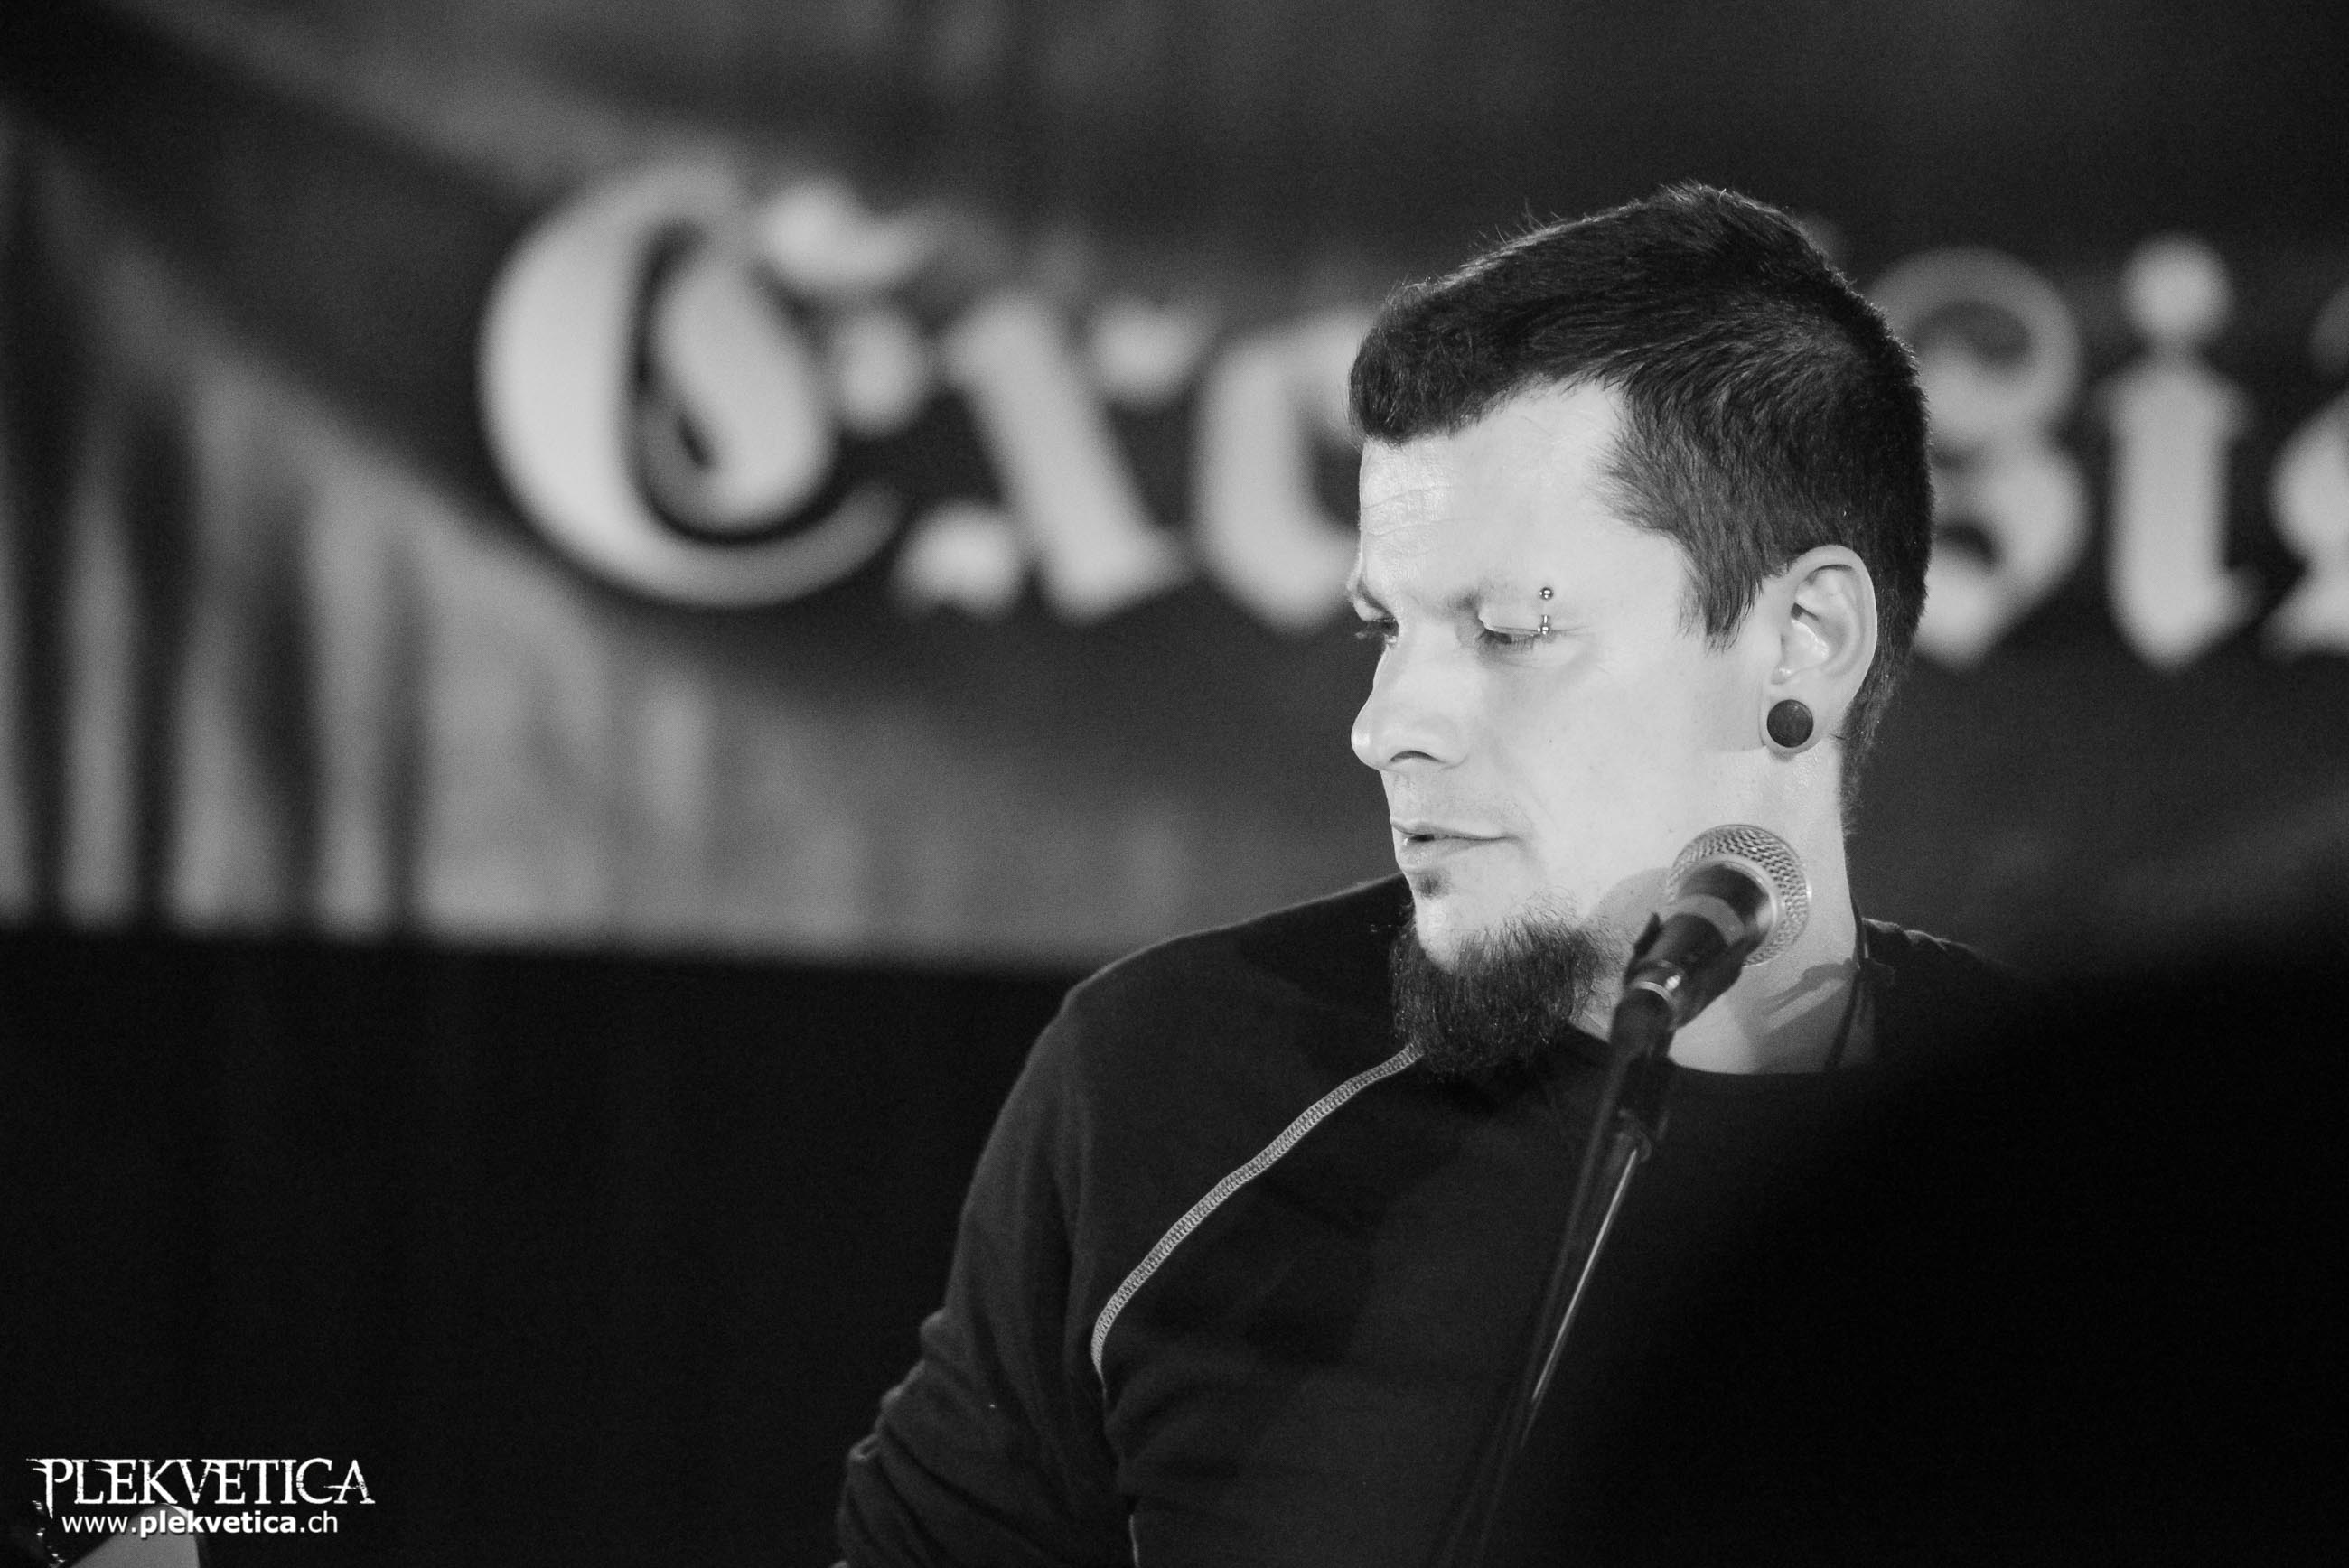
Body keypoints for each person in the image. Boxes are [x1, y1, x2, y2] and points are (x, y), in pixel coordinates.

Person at [835, 183, 2020, 1567]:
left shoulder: (2079, 1183)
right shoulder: (1168, 1088)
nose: (1387, 723)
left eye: (1508, 631)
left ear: (1804, 637)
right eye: (1383, 629)